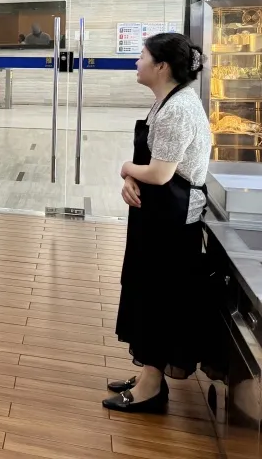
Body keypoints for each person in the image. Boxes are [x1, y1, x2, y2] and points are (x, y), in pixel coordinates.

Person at [106, 33, 211, 414]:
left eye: (142, 56)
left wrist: (125, 169)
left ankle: (151, 387)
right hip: (158, 213)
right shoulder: (166, 102)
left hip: (172, 219)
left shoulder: (178, 109)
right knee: (146, 289)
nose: (137, 62)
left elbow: (162, 173)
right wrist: (133, 179)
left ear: (162, 66)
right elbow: (153, 167)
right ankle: (149, 375)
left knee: (158, 296)